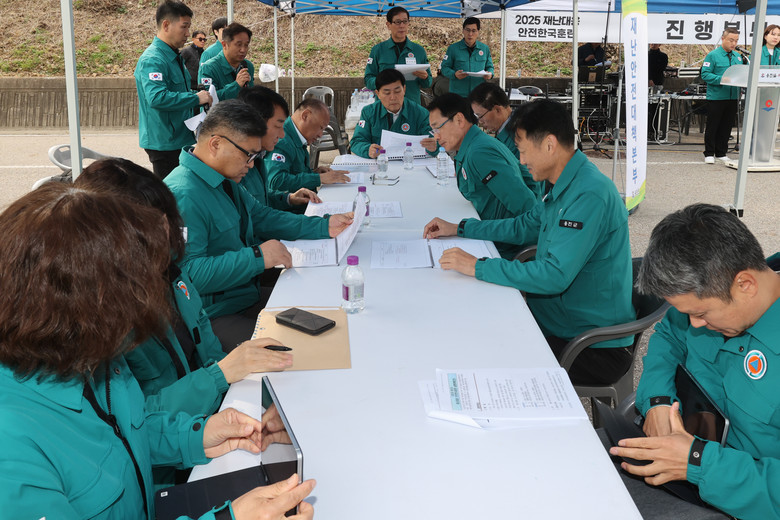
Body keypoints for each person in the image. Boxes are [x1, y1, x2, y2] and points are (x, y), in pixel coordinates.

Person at [0, 183, 315, 519]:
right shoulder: (13, 451)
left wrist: (195, 437)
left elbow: (122, 432)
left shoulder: (87, 359)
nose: (141, 309)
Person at [74, 158, 295, 486]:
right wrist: (219, 377)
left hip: (200, 432)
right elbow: (132, 422)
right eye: (149, 232)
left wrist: (255, 399)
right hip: (165, 469)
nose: (167, 239)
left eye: (166, 223)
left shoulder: (172, 276)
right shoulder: (99, 322)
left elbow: (207, 351)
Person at [423, 99, 634, 385]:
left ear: (549, 145)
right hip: (556, 319)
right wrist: (460, 228)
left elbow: (553, 275)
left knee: (480, 355)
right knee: (467, 325)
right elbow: (524, 225)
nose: (521, 161)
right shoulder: (562, 181)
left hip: (587, 342)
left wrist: (478, 266)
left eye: (523, 151)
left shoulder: (589, 194)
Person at [610, 203, 780, 520]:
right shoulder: (716, 290)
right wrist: (658, 401)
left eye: (700, 314)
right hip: (685, 457)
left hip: (740, 497)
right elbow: (669, 336)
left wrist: (698, 461)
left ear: (745, 284)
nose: (694, 324)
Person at [164, 100, 353, 349]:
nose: (251, 164)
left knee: (325, 311)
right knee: (299, 350)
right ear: (216, 144)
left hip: (244, 296)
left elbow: (261, 216)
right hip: (210, 317)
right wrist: (257, 256)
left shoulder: (222, 178)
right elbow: (188, 276)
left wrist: (323, 226)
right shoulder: (183, 194)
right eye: (248, 155)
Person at [426, 93, 535, 224]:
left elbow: (527, 209)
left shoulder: (479, 153)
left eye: (438, 129)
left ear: (459, 120)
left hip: (500, 234)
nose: (436, 137)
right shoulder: (473, 146)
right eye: (433, 131)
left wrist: (465, 229)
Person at [134, 0, 212, 179]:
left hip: (179, 137)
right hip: (165, 143)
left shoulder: (174, 56)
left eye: (189, 27)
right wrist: (196, 98)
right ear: (166, 25)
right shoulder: (153, 59)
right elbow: (157, 98)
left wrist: (199, 97)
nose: (188, 33)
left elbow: (179, 93)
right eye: (184, 27)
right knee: (170, 192)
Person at [238, 86, 322, 211]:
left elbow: (261, 200)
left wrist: (289, 198)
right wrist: (318, 178)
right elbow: (275, 181)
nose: (282, 134)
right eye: (278, 126)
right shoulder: (233, 170)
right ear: (254, 124)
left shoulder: (256, 158)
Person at [468, 82, 543, 199]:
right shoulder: (507, 129)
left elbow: (531, 184)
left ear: (498, 110)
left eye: (480, 116)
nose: (480, 122)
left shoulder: (519, 136)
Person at [265, 98, 350, 194]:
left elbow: (293, 172)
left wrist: (313, 173)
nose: (320, 135)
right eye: (320, 127)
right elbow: (276, 181)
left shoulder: (298, 137)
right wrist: (318, 178)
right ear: (305, 115)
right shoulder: (282, 141)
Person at [350, 68, 437, 159]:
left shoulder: (420, 113)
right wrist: (368, 149)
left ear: (404, 89)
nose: (393, 97)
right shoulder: (369, 112)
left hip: (410, 164)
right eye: (387, 93)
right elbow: (356, 142)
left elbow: (435, 140)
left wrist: (434, 147)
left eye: (397, 91)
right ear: (378, 94)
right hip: (380, 164)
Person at [364, 6, 431, 105]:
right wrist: (382, 81)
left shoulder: (418, 50)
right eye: (398, 22)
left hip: (411, 105)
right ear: (388, 25)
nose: (402, 26)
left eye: (405, 21)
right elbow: (368, 79)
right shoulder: (378, 50)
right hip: (385, 106)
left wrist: (425, 77)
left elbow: (428, 83)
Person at [701, 28, 742, 164]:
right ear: (723, 39)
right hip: (716, 97)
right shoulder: (712, 55)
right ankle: (709, 153)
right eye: (731, 40)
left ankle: (721, 152)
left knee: (726, 126)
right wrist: (722, 79)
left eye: (736, 41)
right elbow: (705, 74)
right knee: (713, 126)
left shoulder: (738, 56)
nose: (734, 43)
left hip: (733, 97)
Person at [198, 22, 255, 101]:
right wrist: (236, 85)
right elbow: (208, 99)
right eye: (238, 44)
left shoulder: (248, 66)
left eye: (246, 45)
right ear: (224, 45)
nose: (243, 50)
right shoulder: (209, 68)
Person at [440, 17, 494, 97]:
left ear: (478, 32)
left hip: (478, 94)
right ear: (463, 31)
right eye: (467, 30)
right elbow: (444, 68)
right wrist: (454, 74)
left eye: (473, 31)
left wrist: (490, 74)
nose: (470, 34)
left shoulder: (484, 48)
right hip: (458, 95)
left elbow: (490, 67)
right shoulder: (453, 48)